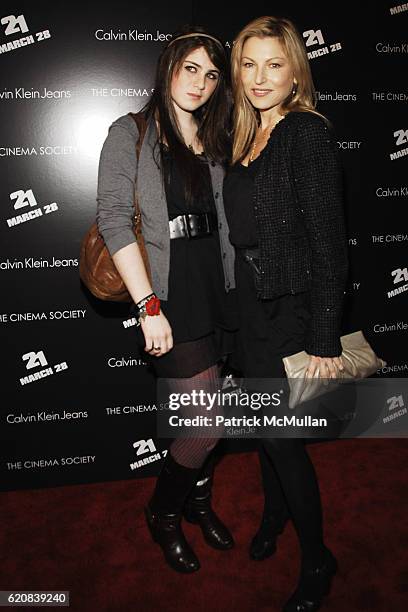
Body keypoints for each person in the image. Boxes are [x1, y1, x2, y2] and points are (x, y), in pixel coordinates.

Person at [96, 26, 237, 573]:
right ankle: (164, 512)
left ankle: (198, 503)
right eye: (190, 68)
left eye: (211, 74)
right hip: (170, 297)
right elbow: (113, 219)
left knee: (201, 419)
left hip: (217, 290)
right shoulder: (129, 132)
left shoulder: (212, 138)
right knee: (206, 423)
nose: (200, 83)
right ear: (168, 67)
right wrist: (147, 305)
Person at [224, 16, 349, 611]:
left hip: (290, 308)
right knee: (262, 431)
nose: (259, 77)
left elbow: (329, 242)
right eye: (248, 63)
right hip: (249, 306)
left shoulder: (305, 133)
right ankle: (273, 516)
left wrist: (324, 338)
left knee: (281, 438)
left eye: (274, 63)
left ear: (295, 68)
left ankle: (319, 557)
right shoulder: (245, 135)